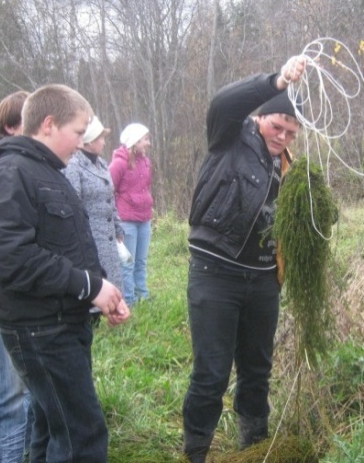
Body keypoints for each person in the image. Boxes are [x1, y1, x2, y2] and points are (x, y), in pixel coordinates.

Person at [0, 84, 131, 462]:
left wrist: (101, 291)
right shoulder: (10, 172)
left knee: (50, 427)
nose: (80, 142)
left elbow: (62, 244)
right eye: (77, 132)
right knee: (82, 438)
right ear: (48, 124)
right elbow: (11, 256)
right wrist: (89, 285)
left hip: (60, 322)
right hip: (39, 328)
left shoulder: (45, 170)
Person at [182, 55, 307, 463]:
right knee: (211, 375)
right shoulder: (229, 136)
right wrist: (277, 81)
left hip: (263, 280)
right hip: (215, 273)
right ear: (260, 118)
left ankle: (254, 450)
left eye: (291, 133)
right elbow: (222, 101)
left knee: (257, 372)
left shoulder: (287, 165)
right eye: (277, 127)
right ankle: (195, 452)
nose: (283, 137)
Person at [0, 91, 34, 463]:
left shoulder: (20, 165)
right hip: (6, 294)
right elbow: (1, 247)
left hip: (26, 295)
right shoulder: (0, 170)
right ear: (13, 126)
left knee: (27, 388)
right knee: (10, 392)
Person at [64, 116, 124, 322]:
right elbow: (74, 203)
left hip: (107, 236)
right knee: (92, 275)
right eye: (100, 138)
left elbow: (111, 198)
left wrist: (118, 227)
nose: (104, 142)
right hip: (90, 236)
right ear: (88, 140)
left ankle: (110, 309)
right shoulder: (74, 165)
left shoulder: (102, 163)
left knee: (109, 275)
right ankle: (91, 316)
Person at [109, 123, 153, 306]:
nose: (148, 143)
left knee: (141, 261)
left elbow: (145, 188)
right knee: (128, 263)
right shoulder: (119, 163)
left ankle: (143, 294)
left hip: (144, 219)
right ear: (134, 141)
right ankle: (129, 300)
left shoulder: (145, 161)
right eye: (145, 139)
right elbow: (109, 190)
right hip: (127, 221)